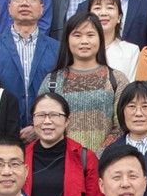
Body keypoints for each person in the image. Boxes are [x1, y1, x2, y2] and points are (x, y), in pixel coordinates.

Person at [40, 13, 125, 154]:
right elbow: (43, 123)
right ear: (67, 39)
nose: (84, 41)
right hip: (62, 161)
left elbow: (121, 127)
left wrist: (97, 157)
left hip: (105, 162)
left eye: (90, 35)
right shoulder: (52, 81)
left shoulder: (116, 79)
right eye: (77, 35)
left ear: (100, 39)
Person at [24, 92, 104, 196]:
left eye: (54, 115)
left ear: (67, 121)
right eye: (41, 115)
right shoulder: (21, 157)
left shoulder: (85, 158)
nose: (47, 121)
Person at [0, 0, 61, 130]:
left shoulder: (57, 48)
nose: (24, 3)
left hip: (46, 129)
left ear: (42, 9)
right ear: (9, 7)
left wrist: (36, 126)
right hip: (2, 130)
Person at [87, 0, 142, 80]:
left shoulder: (131, 51)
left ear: (119, 18)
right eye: (97, 8)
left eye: (110, 8)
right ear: (89, 17)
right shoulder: (80, 48)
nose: (103, 13)